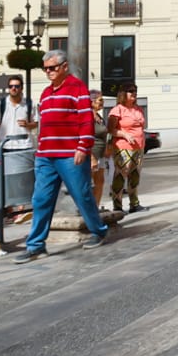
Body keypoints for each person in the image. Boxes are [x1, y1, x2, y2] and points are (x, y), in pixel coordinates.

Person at [18, 51, 110, 261]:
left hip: (70, 155)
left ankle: (99, 230)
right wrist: (40, 148)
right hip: (45, 156)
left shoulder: (77, 87)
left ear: (64, 66)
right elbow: (43, 124)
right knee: (40, 199)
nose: (48, 72)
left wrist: (82, 147)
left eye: (52, 67)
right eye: (46, 68)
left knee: (82, 196)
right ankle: (36, 245)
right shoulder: (45, 93)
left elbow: (86, 120)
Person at [107, 83, 147, 212]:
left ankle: (134, 204)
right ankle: (117, 206)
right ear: (123, 94)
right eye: (130, 91)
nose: (134, 93)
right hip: (123, 147)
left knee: (135, 176)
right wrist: (124, 134)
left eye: (135, 91)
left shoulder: (138, 109)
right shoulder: (117, 110)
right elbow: (110, 129)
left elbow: (142, 126)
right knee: (120, 175)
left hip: (139, 147)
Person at [88, 88, 110, 206]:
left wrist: (106, 148)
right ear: (92, 101)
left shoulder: (99, 118)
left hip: (101, 154)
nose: (102, 102)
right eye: (100, 100)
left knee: (100, 182)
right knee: (89, 183)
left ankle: (95, 207)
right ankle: (88, 209)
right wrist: (91, 157)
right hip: (92, 154)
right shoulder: (88, 117)